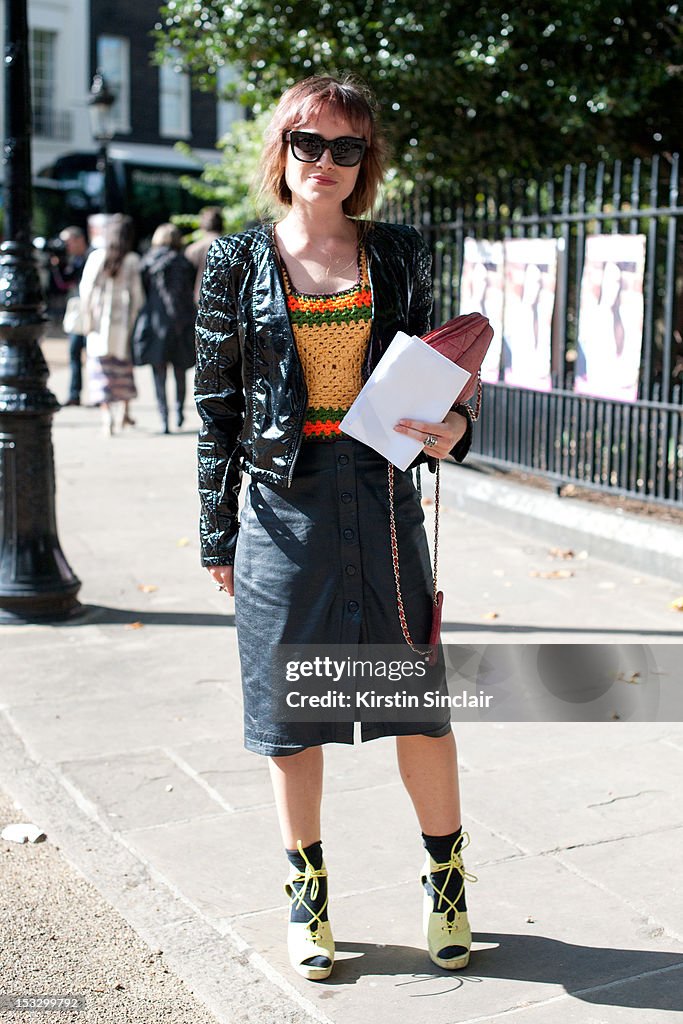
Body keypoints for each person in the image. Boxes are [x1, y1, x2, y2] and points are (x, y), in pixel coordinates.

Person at [195, 75, 478, 982]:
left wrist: (456, 431)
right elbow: (217, 410)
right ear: (281, 150)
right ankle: (307, 900)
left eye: (345, 147)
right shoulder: (237, 262)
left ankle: (446, 886)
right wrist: (215, 534)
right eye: (308, 143)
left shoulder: (397, 253)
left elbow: (442, 372)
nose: (324, 162)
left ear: (367, 162)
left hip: (382, 494)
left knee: (416, 705)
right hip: (281, 504)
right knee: (291, 713)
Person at [79, 214, 144, 435]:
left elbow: (85, 289)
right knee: (123, 369)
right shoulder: (132, 260)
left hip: (99, 324)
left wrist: (87, 316)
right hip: (123, 324)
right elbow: (138, 296)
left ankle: (107, 417)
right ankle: (123, 412)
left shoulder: (98, 256)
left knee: (101, 370)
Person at [133, 223, 196, 433]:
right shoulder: (184, 262)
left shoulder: (147, 262)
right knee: (180, 371)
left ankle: (163, 418)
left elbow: (142, 292)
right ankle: (178, 412)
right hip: (182, 321)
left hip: (156, 322)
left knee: (158, 373)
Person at [51, 226, 91, 406]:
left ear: (79, 239)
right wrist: (57, 265)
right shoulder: (74, 260)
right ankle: (74, 394)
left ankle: (97, 395)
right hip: (77, 314)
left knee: (93, 355)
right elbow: (64, 283)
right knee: (74, 353)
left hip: (92, 312)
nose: (65, 246)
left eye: (67, 242)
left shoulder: (92, 256)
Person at [185, 206, 224, 304]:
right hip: (226, 302)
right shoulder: (230, 246)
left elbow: (186, 281)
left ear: (202, 226)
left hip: (199, 301)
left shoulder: (192, 250)